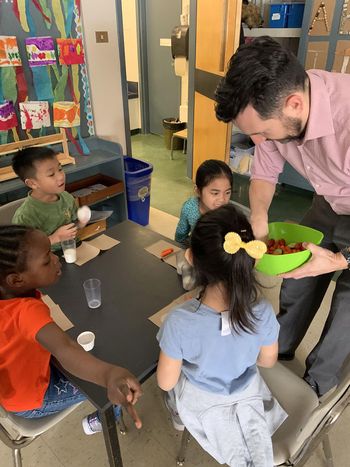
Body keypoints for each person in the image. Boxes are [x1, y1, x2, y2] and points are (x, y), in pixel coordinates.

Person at [215, 35, 350, 397]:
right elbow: (263, 175)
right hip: (331, 199)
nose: (259, 141)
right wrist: (258, 216)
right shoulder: (278, 115)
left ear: (293, 104)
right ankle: (279, 346)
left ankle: (316, 388)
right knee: (298, 273)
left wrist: (339, 259)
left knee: (347, 306)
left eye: (261, 132)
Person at [157, 204, 287, 467]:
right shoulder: (262, 311)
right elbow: (267, 361)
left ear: (191, 258)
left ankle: (178, 416)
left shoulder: (178, 322)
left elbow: (165, 382)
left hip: (203, 403)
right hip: (249, 394)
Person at [0, 225, 142, 435]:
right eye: (47, 260)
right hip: (34, 397)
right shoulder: (25, 311)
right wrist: (109, 374)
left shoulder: (10, 299)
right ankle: (101, 421)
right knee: (107, 384)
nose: (56, 259)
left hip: (14, 385)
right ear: (16, 279)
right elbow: (65, 348)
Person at [12, 146, 85, 252]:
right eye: (51, 174)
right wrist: (54, 238)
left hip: (73, 249)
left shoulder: (66, 197)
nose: (61, 176)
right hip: (47, 260)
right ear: (32, 183)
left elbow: (73, 226)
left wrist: (81, 223)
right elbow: (23, 250)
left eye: (60, 169)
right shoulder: (25, 216)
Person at [175, 160, 233, 290]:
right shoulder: (189, 208)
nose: (222, 199)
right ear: (198, 191)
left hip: (219, 254)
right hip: (195, 250)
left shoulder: (229, 213)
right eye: (215, 193)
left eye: (227, 192)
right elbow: (181, 234)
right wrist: (182, 250)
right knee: (188, 277)